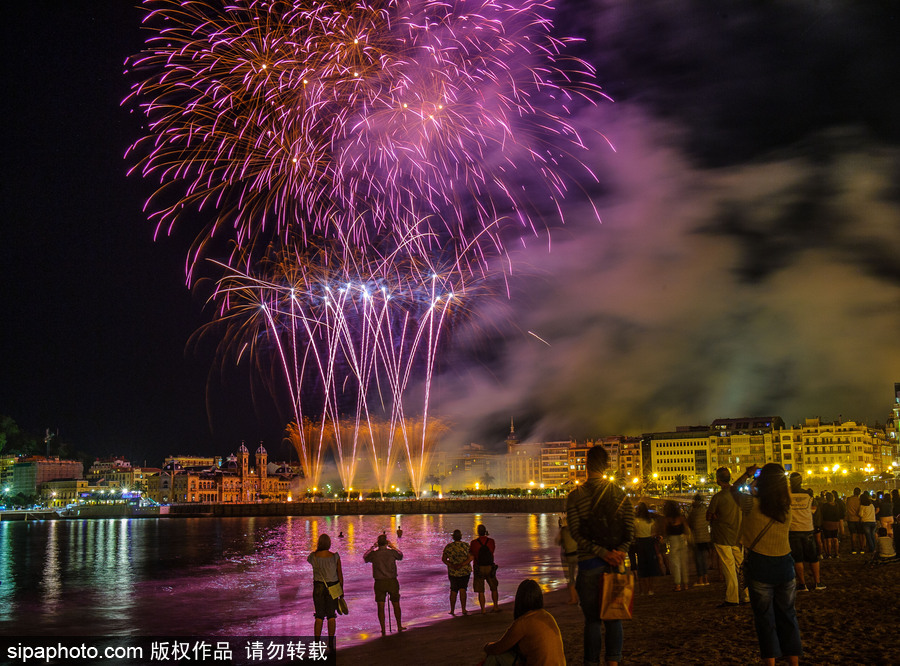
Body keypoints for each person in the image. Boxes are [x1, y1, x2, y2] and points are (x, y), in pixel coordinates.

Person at [566, 444, 634, 666]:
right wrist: (618, 553)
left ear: (586, 465)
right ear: (607, 466)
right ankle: (613, 662)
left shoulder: (575, 496)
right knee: (615, 620)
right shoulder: (621, 494)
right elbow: (629, 530)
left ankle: (592, 662)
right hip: (616, 565)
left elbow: (576, 532)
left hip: (589, 566)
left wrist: (600, 552)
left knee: (592, 621)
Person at [732, 463, 802, 666]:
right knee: (788, 617)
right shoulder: (786, 505)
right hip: (785, 564)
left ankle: (770, 662)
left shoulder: (750, 504)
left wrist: (749, 474)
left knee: (765, 620)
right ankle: (793, 662)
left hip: (760, 564)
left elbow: (734, 489)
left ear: (762, 482)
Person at [482, 579, 566, 666]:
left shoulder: (524, 622)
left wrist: (487, 646)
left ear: (520, 600)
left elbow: (498, 648)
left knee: (494, 656)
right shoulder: (547, 616)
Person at [707, 467, 750, 607]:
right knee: (742, 566)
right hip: (737, 535)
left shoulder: (718, 497)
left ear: (718, 480)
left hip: (722, 535)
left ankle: (732, 598)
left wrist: (714, 516)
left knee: (729, 567)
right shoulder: (738, 495)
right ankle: (748, 595)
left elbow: (708, 515)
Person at [787, 473, 824, 591]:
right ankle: (817, 582)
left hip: (793, 529)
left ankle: (802, 584)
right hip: (807, 528)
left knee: (797, 559)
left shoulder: (788, 495)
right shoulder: (808, 494)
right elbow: (813, 510)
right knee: (813, 558)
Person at [363, 534, 406, 634]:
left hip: (379, 582)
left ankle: (383, 629)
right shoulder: (392, 553)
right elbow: (400, 556)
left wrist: (372, 548)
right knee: (396, 604)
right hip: (392, 580)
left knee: (380, 606)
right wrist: (393, 546)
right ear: (386, 543)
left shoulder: (374, 554)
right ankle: (399, 625)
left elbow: (365, 558)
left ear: (378, 543)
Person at [307, 533, 344, 640]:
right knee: (331, 616)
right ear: (329, 543)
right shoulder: (335, 557)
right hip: (333, 587)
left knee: (319, 616)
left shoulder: (313, 556)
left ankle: (317, 642)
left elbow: (309, 560)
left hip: (318, 587)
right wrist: (341, 591)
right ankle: (331, 643)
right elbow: (340, 575)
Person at [633, 502, 662, 595]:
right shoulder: (651, 521)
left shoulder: (635, 521)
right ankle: (650, 588)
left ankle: (643, 589)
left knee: (642, 567)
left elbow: (633, 534)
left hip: (639, 543)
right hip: (649, 543)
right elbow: (654, 533)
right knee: (651, 566)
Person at [470, 524, 500, 613]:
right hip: (490, 567)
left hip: (478, 567)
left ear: (478, 532)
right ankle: (495, 606)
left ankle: (483, 609)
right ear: (485, 531)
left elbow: (472, 554)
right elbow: (492, 551)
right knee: (494, 588)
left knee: (481, 591)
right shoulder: (491, 541)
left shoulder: (474, 543)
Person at [441, 529, 472, 615]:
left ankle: (452, 610)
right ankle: (463, 609)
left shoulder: (449, 547)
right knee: (463, 589)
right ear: (460, 536)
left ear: (453, 537)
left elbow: (444, 559)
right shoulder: (465, 546)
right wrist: (462, 564)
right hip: (465, 571)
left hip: (453, 572)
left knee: (453, 590)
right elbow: (470, 558)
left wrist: (451, 565)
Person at [662, 500, 691, 591]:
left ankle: (678, 584)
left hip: (673, 541)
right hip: (682, 540)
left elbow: (665, 532)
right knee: (684, 563)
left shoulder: (667, 519)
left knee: (676, 564)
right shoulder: (681, 518)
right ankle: (685, 584)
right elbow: (687, 529)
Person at [687, 494, 712, 586]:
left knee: (698, 559)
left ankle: (700, 579)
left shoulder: (694, 512)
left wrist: (690, 509)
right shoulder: (705, 510)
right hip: (706, 537)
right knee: (704, 558)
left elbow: (689, 523)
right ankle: (706, 578)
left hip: (697, 538)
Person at [556, 515, 580, 604]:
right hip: (578, 555)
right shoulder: (577, 530)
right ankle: (579, 597)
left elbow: (557, 542)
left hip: (567, 557)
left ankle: (573, 598)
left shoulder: (563, 530)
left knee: (570, 578)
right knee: (579, 576)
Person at [820, 492, 841, 558]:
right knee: (835, 539)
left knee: (828, 539)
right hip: (835, 523)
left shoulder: (824, 506)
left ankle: (829, 554)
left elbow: (822, 514)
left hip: (827, 523)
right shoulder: (836, 505)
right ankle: (836, 554)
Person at [845, 487, 862, 554]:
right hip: (858, 519)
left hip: (851, 519)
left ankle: (853, 548)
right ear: (859, 493)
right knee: (860, 534)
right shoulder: (860, 500)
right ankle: (861, 548)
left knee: (853, 534)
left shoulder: (849, 499)